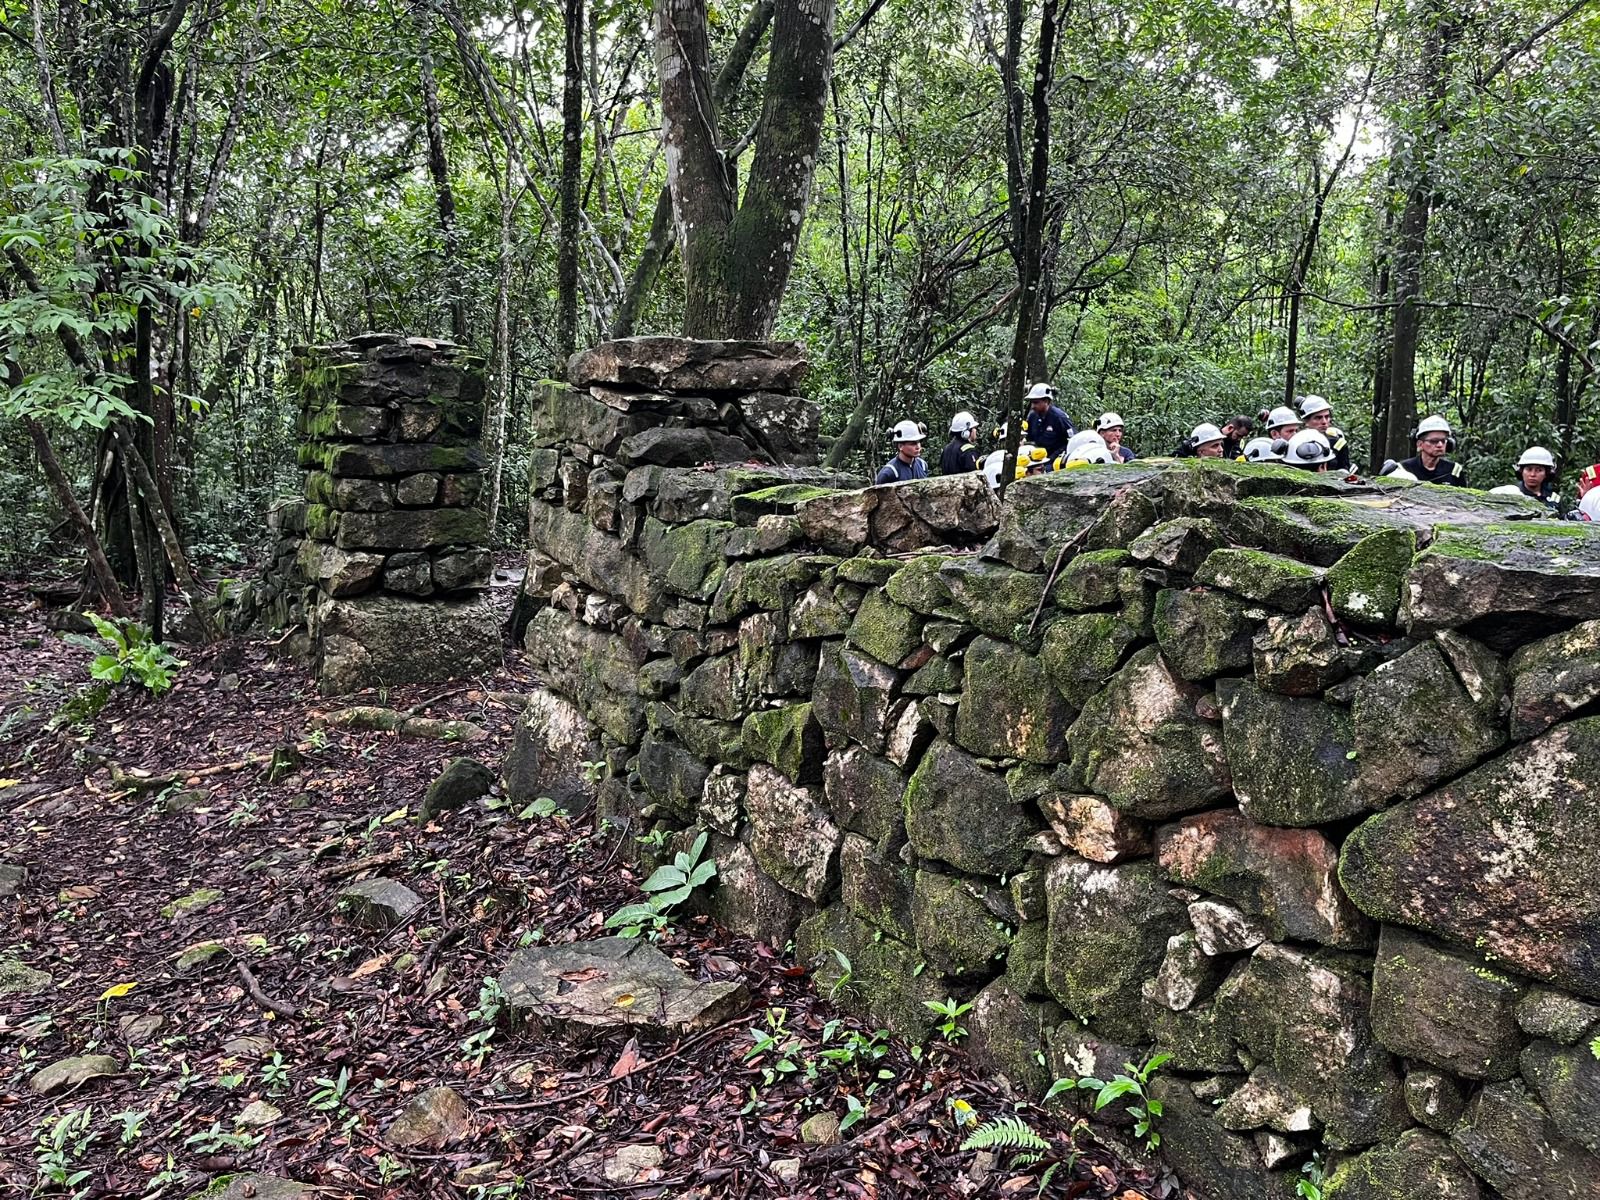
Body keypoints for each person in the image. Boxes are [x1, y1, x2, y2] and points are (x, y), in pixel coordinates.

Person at [1399, 416, 1467, 486]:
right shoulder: (1403, 469)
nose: (1440, 445)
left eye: (1443, 441)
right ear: (1420, 444)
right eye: (1434, 441)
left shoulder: (1454, 471)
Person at [1489, 446, 1559, 511]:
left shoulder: (1553, 499)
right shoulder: (1509, 493)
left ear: (1546, 474)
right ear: (1521, 471)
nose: (1532, 474)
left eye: (1539, 470)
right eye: (1529, 469)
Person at [1020, 383, 1075, 457]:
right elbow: (1029, 438)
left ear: (1046, 401)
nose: (1033, 406)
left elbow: (1072, 441)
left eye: (1036, 402)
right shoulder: (1032, 417)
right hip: (1037, 458)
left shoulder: (1059, 417)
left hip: (1055, 459)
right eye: (1032, 402)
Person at [1298, 395, 1351, 471]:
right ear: (1306, 421)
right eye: (1318, 418)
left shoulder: (1338, 443)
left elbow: (1344, 471)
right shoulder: (1295, 443)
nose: (1324, 422)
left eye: (1326, 417)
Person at [875, 420, 929, 484]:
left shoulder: (922, 465)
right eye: (913, 443)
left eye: (918, 442)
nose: (918, 447)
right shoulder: (889, 473)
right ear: (900, 446)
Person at [941, 411, 982, 475]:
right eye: (974, 428)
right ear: (966, 432)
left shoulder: (946, 449)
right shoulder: (969, 450)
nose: (975, 430)